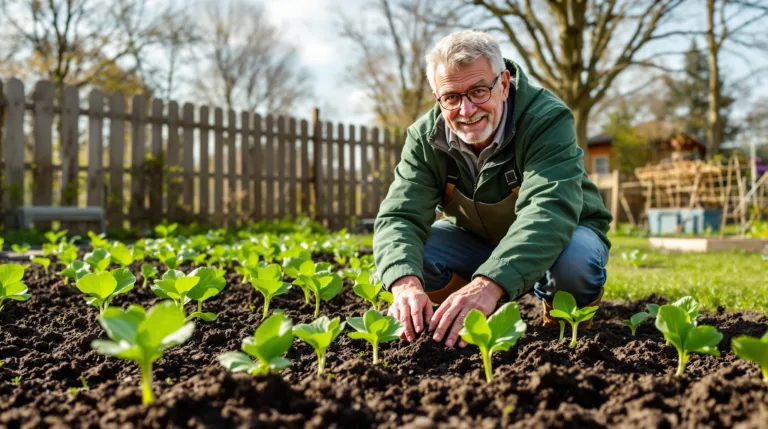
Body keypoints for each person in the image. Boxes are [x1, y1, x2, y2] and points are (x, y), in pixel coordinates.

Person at [372, 30, 612, 349]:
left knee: (576, 263)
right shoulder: (424, 137)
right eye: (451, 97)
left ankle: (560, 325)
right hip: (476, 241)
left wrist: (489, 283)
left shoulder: (546, 120)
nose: (466, 110)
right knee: (415, 257)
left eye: (478, 91)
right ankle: (459, 320)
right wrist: (404, 283)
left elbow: (548, 211)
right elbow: (399, 216)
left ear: (503, 84)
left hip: (561, 238)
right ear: (437, 98)